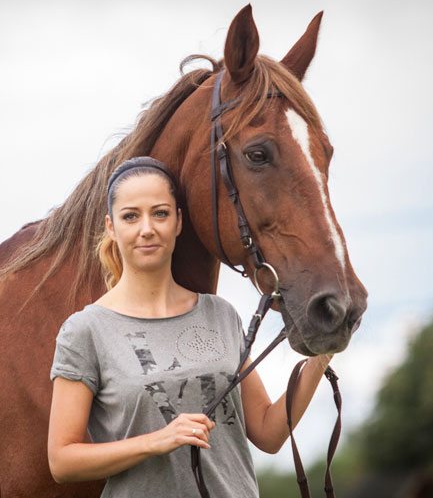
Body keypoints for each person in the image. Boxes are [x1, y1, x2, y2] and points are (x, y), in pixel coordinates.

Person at [47, 156, 332, 497]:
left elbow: (269, 433)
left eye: (161, 213)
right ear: (111, 226)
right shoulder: (86, 330)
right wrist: (157, 441)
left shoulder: (219, 314)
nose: (147, 228)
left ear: (178, 222)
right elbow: (61, 461)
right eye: (130, 216)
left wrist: (323, 353)